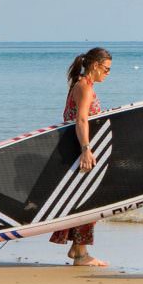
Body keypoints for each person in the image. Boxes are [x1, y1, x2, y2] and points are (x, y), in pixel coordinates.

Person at [51, 46, 113, 268]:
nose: (108, 73)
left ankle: (79, 250)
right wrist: (86, 149)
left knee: (83, 199)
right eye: (106, 69)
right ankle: (80, 252)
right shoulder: (84, 87)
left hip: (74, 149)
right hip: (79, 150)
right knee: (90, 200)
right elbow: (81, 120)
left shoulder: (81, 85)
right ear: (95, 65)